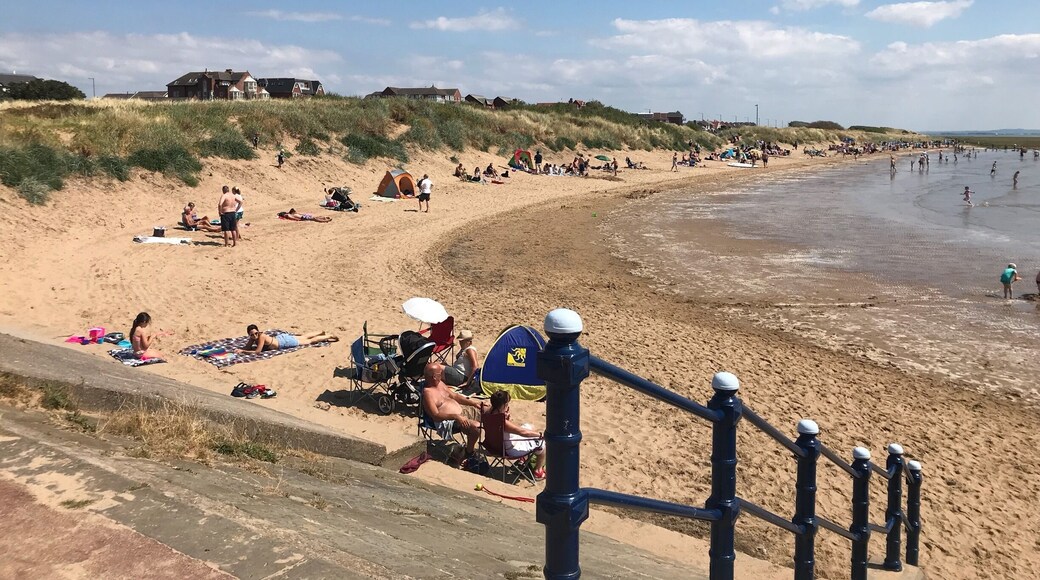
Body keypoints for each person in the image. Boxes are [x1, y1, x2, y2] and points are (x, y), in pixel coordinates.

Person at [422, 363, 486, 461]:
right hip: (449, 421)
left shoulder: (440, 384)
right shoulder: (428, 394)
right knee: (476, 427)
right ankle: (469, 452)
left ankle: (498, 445)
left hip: (462, 411)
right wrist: (456, 417)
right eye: (440, 373)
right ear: (434, 377)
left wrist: (473, 403)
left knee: (488, 410)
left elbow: (455, 396)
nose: (442, 374)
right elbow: (435, 415)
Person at [483, 390, 546, 479]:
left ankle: (522, 460)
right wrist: (540, 435)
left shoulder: (486, 414)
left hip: (493, 446)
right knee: (542, 443)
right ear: (504, 405)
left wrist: (505, 417)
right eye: (507, 404)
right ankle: (538, 471)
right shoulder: (503, 423)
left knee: (528, 426)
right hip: (509, 450)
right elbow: (523, 432)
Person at [237, 325, 338, 354]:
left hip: (284, 342)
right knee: (304, 336)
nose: (255, 336)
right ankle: (320, 332)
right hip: (281, 338)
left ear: (258, 332)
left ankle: (328, 336)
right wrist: (240, 350)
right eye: (252, 335)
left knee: (309, 341)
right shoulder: (253, 338)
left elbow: (257, 351)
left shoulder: (261, 337)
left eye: (256, 333)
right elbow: (248, 346)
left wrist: (243, 351)